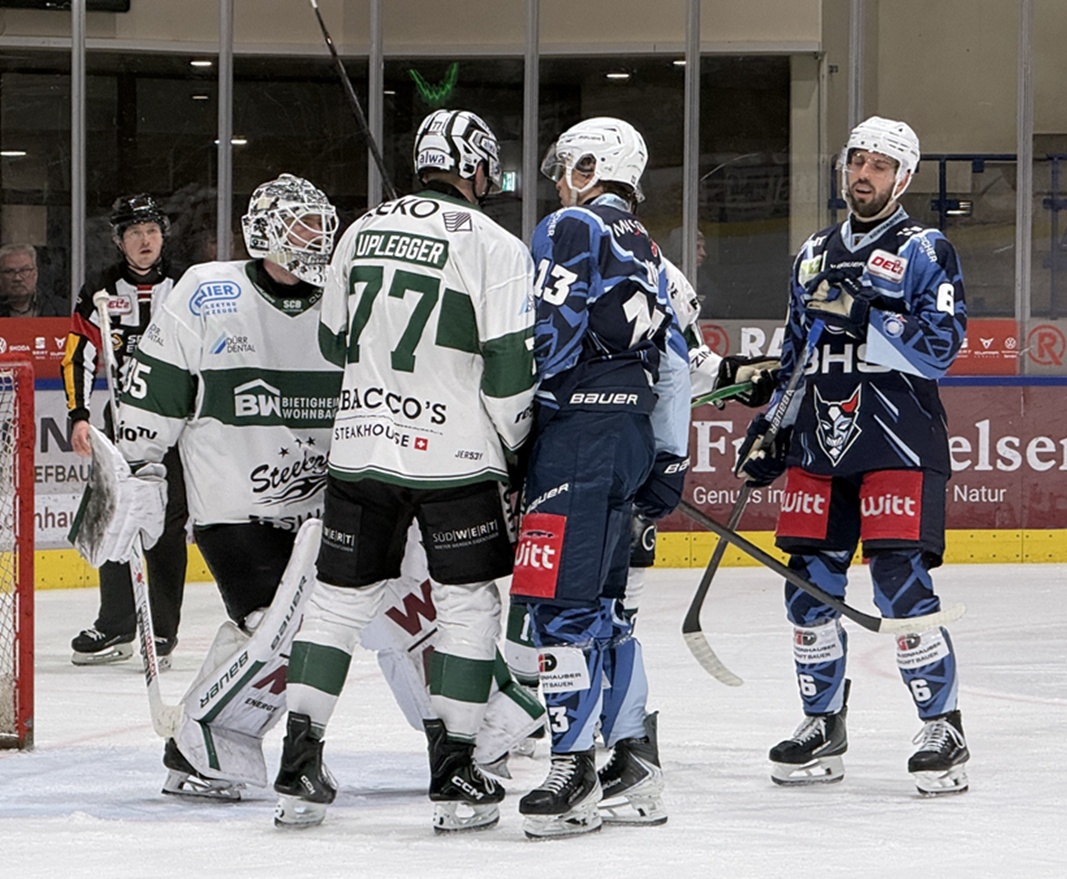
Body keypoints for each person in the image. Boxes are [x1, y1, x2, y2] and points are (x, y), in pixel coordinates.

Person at [273, 109, 539, 833]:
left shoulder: (360, 230)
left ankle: (300, 762)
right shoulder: (496, 243)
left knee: (334, 602)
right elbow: (512, 367)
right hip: (455, 459)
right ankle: (455, 770)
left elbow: (333, 341)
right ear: (478, 168)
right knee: (467, 604)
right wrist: (515, 445)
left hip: (361, 446)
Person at [737, 116, 970, 796]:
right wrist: (772, 428)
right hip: (819, 440)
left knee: (901, 585)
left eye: (878, 165)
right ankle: (822, 723)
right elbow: (794, 356)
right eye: (856, 161)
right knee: (807, 587)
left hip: (898, 439)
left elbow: (942, 347)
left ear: (903, 178)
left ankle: (942, 725)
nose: (862, 174)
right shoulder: (812, 252)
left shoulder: (926, 249)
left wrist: (864, 315)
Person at [108, 173, 344, 798]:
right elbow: (152, 389)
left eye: (320, 221)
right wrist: (140, 469)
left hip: (329, 508)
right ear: (263, 233)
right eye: (299, 224)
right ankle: (202, 748)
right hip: (237, 512)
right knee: (278, 630)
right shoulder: (207, 294)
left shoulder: (344, 297)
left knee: (409, 613)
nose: (316, 236)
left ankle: (479, 728)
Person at [508, 117, 690, 838]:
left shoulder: (569, 226)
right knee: (607, 608)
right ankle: (635, 765)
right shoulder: (649, 249)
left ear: (591, 165)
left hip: (575, 438)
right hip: (630, 437)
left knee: (557, 607)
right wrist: (667, 460)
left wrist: (511, 435)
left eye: (566, 166)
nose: (559, 180)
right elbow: (675, 361)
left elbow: (544, 341)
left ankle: (572, 768)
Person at [61, 194, 189, 667]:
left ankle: (163, 631)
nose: (144, 240)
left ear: (163, 235)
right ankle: (116, 626)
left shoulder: (186, 284)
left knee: (169, 525)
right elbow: (78, 355)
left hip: (181, 425)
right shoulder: (98, 287)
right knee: (115, 514)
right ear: (119, 240)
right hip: (123, 423)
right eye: (134, 233)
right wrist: (79, 415)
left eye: (152, 231)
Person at [0, 243, 66, 316]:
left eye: (24, 270)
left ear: (35, 274)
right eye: (10, 271)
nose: (17, 278)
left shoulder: (62, 309)